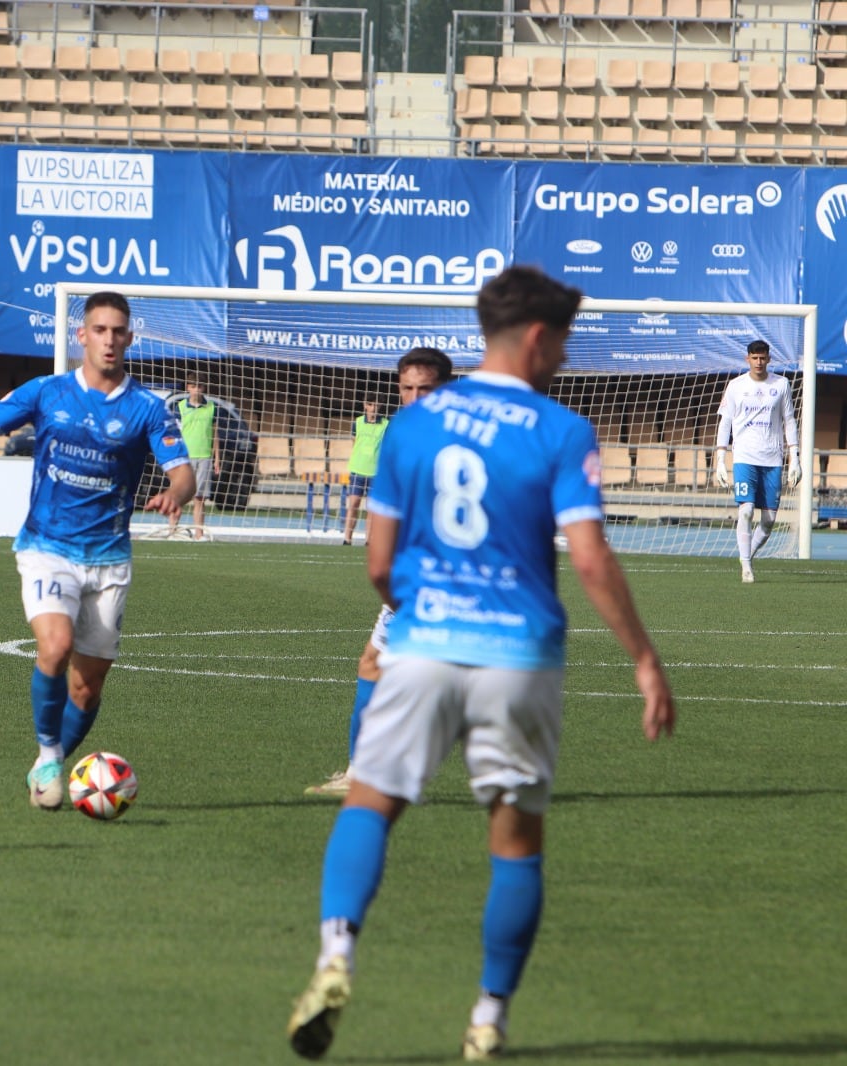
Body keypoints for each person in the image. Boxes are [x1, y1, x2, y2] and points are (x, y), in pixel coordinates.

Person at [286, 266, 676, 1062]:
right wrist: (643, 658)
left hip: (424, 642)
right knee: (515, 841)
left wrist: (431, 604)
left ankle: (334, 958)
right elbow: (593, 559)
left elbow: (378, 567)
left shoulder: (414, 426)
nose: (564, 358)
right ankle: (488, 1017)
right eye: (563, 342)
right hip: (520, 655)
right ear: (537, 338)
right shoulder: (561, 430)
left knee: (370, 802)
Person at [0, 291, 195, 810]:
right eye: (100, 330)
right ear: (82, 335)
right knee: (53, 646)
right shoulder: (46, 391)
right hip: (47, 546)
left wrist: (175, 494)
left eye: (119, 331)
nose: (110, 340)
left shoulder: (146, 408)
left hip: (109, 558)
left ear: (130, 338)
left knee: (88, 689)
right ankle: (51, 755)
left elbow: (182, 472)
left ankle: (46, 763)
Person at [307, 347, 454, 798]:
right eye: (406, 388)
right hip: (413, 570)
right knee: (376, 664)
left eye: (424, 389)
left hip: (441, 574)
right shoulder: (406, 433)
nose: (413, 397)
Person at [714, 338, 801, 584]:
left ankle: (747, 554)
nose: (759, 362)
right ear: (747, 359)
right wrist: (720, 459)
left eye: (763, 358)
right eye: (754, 358)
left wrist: (794, 458)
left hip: (773, 459)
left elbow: (790, 421)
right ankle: (746, 567)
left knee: (770, 520)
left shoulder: (781, 384)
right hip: (744, 458)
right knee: (746, 511)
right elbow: (725, 423)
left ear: (768, 359)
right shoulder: (735, 386)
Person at [168, 376, 217, 540]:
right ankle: (172, 531)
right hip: (185, 458)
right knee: (180, 495)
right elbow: (175, 433)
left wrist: (217, 458)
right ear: (188, 388)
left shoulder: (211, 407)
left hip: (204, 456)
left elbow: (215, 433)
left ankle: (199, 534)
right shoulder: (180, 407)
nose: (197, 389)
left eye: (200, 386)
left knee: (199, 498)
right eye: (193, 386)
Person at [341, 396, 388, 546]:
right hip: (358, 469)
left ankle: (369, 540)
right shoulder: (358, 422)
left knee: (371, 509)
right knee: (353, 503)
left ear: (380, 405)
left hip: (376, 472)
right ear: (364, 406)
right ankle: (347, 539)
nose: (373, 408)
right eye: (369, 404)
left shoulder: (386, 424)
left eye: (375, 404)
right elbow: (354, 442)